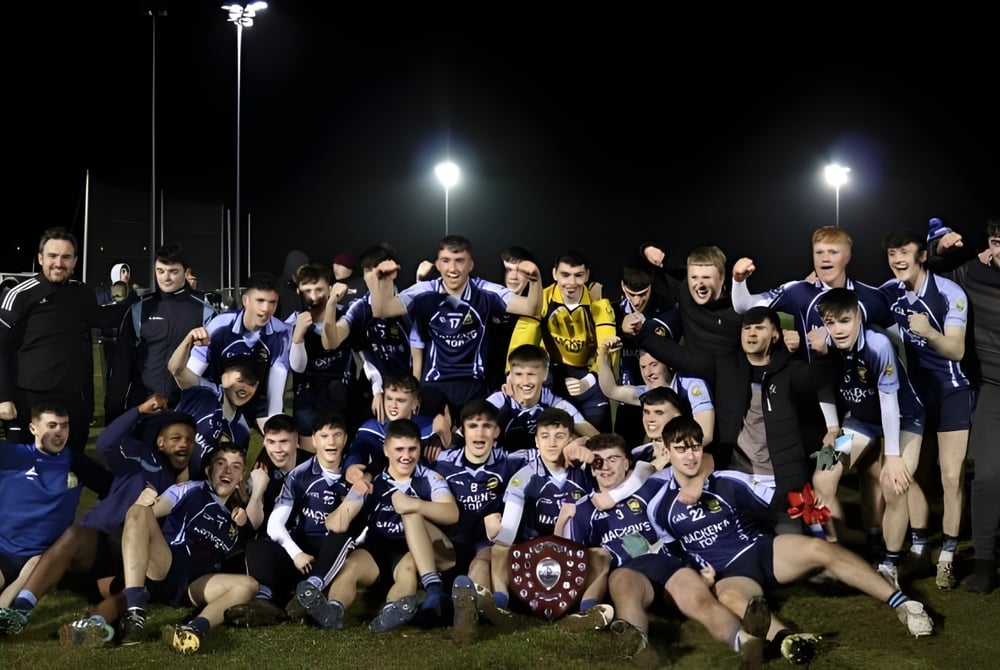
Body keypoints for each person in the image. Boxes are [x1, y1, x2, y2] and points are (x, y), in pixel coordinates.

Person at [638, 416, 934, 649]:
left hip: (763, 551)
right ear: (666, 450)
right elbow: (671, 550)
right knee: (729, 598)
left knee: (822, 551)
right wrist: (695, 572)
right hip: (731, 574)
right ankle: (789, 640)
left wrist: (813, 499)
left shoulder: (728, 481)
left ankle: (905, 604)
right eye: (680, 449)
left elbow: (778, 500)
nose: (690, 456)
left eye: (695, 447)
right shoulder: (658, 506)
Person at [0, 400, 196, 641]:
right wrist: (139, 410)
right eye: (176, 438)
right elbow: (105, 443)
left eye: (189, 440)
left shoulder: (183, 486)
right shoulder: (140, 457)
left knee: (132, 588)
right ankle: (22, 608)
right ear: (160, 442)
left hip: (130, 557)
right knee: (73, 535)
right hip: (100, 541)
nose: (184, 444)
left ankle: (92, 625)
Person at [636, 306, 839, 531]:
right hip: (737, 483)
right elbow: (681, 357)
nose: (751, 334)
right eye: (747, 328)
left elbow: (819, 378)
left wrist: (824, 354)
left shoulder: (790, 371)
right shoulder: (726, 366)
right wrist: (642, 333)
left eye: (759, 328)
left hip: (782, 488)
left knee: (794, 549)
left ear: (775, 335)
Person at [298, 419, 459, 632]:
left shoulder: (428, 477)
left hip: (414, 551)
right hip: (377, 549)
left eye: (412, 449)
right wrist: (353, 496)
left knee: (408, 569)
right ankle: (333, 610)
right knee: (351, 568)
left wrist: (414, 504)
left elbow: (451, 513)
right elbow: (334, 524)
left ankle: (391, 611)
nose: (406, 456)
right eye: (399, 449)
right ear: (386, 450)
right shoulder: (373, 481)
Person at [0, 228, 128, 496]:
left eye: (66, 257)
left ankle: (62, 525)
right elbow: (2, 347)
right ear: (40, 257)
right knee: (22, 474)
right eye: (53, 256)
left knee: (67, 471)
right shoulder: (21, 294)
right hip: (28, 401)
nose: (59, 263)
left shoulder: (81, 293)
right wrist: (4, 397)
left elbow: (101, 319)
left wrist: (142, 303)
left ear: (75, 261)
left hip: (72, 402)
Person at [812, 288, 925, 585]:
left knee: (894, 484)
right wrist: (833, 427)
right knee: (822, 475)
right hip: (859, 421)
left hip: (904, 419)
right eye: (830, 322)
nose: (837, 330)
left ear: (858, 317)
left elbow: (889, 402)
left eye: (845, 321)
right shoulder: (823, 343)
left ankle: (890, 564)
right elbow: (823, 385)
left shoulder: (878, 344)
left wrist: (892, 455)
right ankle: (833, 556)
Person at [879, 227, 972, 589]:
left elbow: (957, 350)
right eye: (891, 254)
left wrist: (929, 333)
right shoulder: (889, 292)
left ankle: (947, 556)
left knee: (951, 476)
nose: (897, 260)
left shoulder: (950, 293)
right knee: (906, 473)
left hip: (951, 392)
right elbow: (851, 304)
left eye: (904, 252)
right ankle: (918, 543)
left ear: (922, 255)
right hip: (913, 395)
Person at [367, 234, 541, 421]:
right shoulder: (424, 291)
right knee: (431, 445)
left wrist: (535, 278)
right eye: (446, 261)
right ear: (438, 264)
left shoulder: (486, 291)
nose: (453, 268)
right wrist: (383, 280)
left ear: (471, 265)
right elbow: (382, 310)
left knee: (475, 441)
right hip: (434, 384)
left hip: (473, 385)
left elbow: (532, 308)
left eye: (460, 261)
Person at [115, 442, 263, 654]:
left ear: (241, 478)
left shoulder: (239, 518)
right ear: (208, 470)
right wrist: (144, 502)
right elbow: (147, 515)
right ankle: (135, 611)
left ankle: (192, 629)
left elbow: (258, 521)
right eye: (221, 463)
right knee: (138, 511)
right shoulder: (189, 489)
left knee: (249, 585)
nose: (227, 470)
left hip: (197, 585)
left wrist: (250, 502)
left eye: (236, 466)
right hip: (166, 565)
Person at [926, 216, 1000, 592]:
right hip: (993, 389)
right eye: (998, 242)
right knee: (986, 477)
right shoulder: (972, 274)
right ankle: (985, 562)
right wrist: (939, 250)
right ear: (991, 243)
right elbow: (928, 277)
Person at [225, 413, 352, 627]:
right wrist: (257, 493)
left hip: (319, 551)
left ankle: (310, 593)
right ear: (264, 441)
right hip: (287, 550)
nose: (278, 449)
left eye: (284, 442)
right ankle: (264, 602)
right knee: (256, 545)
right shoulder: (261, 472)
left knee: (337, 537)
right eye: (271, 442)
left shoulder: (315, 466)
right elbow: (255, 527)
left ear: (297, 441)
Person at [730, 226, 893, 361]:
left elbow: (896, 337)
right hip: (815, 391)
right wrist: (738, 280)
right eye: (819, 252)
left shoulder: (871, 297)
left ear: (847, 256)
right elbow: (745, 307)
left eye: (833, 252)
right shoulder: (797, 291)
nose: (825, 259)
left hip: (861, 392)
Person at [489, 408, 596, 612]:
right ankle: (500, 605)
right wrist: (495, 531)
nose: (552, 443)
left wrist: (589, 448)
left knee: (600, 554)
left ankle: (588, 611)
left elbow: (623, 464)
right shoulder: (523, 478)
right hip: (534, 555)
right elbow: (508, 535)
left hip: (577, 554)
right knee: (498, 549)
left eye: (560, 436)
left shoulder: (587, 471)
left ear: (571, 439)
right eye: (545, 437)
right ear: (536, 442)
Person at [105, 242, 216, 422]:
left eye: (173, 272)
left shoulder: (204, 311)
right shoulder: (139, 309)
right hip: (145, 406)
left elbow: (212, 365)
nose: (166, 278)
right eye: (160, 271)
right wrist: (113, 413)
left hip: (188, 408)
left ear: (185, 272)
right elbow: (121, 366)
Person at [508, 250, 617, 431]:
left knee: (598, 437)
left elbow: (607, 345)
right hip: (554, 377)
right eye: (565, 275)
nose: (571, 283)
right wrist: (511, 372)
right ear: (554, 274)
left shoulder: (597, 302)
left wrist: (590, 380)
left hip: (589, 376)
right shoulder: (543, 298)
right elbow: (523, 335)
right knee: (554, 434)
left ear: (587, 275)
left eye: (578, 276)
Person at [324, 243, 420, 426]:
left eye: (378, 269)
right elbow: (333, 340)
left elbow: (420, 351)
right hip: (374, 384)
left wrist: (415, 392)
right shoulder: (360, 307)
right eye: (368, 270)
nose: (373, 275)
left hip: (410, 386)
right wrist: (330, 304)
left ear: (393, 272)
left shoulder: (409, 303)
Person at [183, 272, 290, 429]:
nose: (266, 309)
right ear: (246, 300)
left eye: (272, 302)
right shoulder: (220, 325)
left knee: (280, 435)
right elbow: (192, 376)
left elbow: (275, 391)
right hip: (217, 395)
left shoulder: (280, 333)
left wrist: (273, 429)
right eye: (260, 301)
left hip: (254, 398)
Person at [0, 407, 81, 613]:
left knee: (37, 563)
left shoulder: (76, 462)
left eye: (64, 426)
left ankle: (5, 608)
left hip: (40, 558)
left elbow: (112, 486)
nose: (58, 432)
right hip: (4, 549)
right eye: (51, 425)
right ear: (33, 428)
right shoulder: (13, 454)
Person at [286, 262, 356, 450]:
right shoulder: (293, 322)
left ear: (331, 289)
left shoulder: (347, 316)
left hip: (341, 398)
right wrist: (298, 336)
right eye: (307, 290)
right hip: (308, 400)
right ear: (299, 292)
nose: (313, 296)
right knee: (312, 459)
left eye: (319, 289)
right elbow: (297, 367)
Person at [597, 337, 715, 448]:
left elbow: (705, 435)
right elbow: (611, 390)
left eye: (654, 365)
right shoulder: (648, 392)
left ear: (669, 364)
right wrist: (603, 355)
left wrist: (672, 453)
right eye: (643, 367)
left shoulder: (692, 386)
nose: (648, 373)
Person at [485, 344, 598, 452]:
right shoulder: (498, 402)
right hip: (504, 466)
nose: (525, 382)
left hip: (541, 466)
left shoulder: (552, 401)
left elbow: (584, 427)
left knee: (574, 439)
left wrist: (595, 446)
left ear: (545, 374)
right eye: (519, 374)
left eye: (531, 374)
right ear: (510, 376)